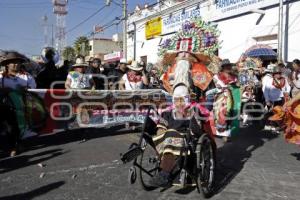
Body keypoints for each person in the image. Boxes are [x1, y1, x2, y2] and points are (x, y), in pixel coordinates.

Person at [149, 83, 202, 187]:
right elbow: (161, 127)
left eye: (182, 99)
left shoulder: (193, 112)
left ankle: (165, 174)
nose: (179, 103)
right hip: (168, 141)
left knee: (171, 135)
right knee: (163, 134)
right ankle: (165, 172)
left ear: (187, 99)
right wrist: (161, 134)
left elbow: (197, 131)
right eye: (177, 99)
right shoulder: (168, 113)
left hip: (185, 141)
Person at [0, 51, 37, 156]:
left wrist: (26, 89)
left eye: (18, 62)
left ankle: (18, 143)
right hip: (7, 106)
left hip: (23, 106)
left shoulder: (27, 76)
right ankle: (14, 146)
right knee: (10, 127)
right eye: (13, 62)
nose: (16, 64)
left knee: (21, 126)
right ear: (7, 64)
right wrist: (3, 90)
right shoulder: (1, 77)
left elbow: (34, 88)